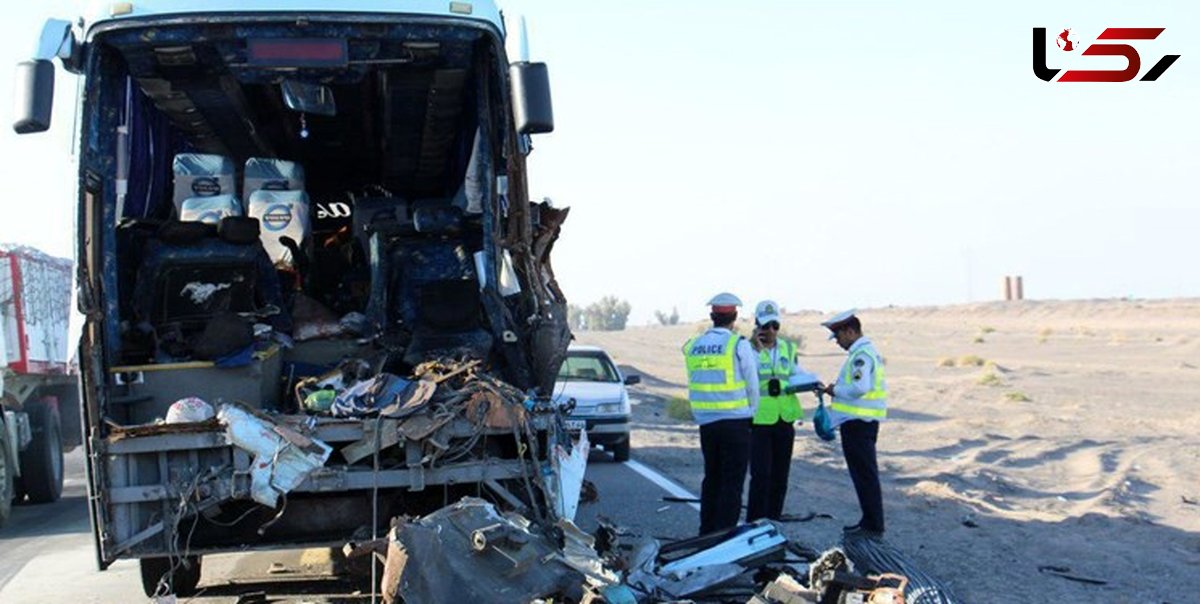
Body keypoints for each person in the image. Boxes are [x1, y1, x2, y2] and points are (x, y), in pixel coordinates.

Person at [682, 292, 759, 534]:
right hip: (735, 422)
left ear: (711, 316)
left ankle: (706, 530)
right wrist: (752, 414)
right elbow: (752, 384)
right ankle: (724, 534)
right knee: (732, 483)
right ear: (734, 316)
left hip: (707, 423)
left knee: (712, 478)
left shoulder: (693, 346)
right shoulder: (738, 345)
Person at [820, 309, 888, 536]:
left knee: (865, 475)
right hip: (859, 423)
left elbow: (860, 387)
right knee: (863, 474)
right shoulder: (862, 353)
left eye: (838, 337)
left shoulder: (862, 356)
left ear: (850, 331)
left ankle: (872, 524)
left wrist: (835, 390)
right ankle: (869, 520)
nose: (837, 342)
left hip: (859, 423)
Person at [747, 300, 809, 522]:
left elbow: (795, 372)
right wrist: (755, 348)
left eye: (775, 326)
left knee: (780, 476)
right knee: (761, 475)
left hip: (785, 418)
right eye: (766, 326)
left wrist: (812, 382)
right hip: (760, 420)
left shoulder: (788, 348)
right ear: (757, 325)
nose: (771, 331)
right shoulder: (747, 349)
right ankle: (754, 521)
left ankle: (773, 519)